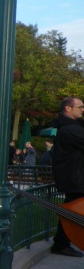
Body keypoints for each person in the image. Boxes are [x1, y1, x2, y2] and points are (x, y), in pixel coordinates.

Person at [50, 97, 84, 257]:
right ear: (68, 109)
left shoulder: (70, 128)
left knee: (71, 211)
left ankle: (61, 242)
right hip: (75, 178)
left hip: (74, 177)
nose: (82, 110)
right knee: (72, 211)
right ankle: (61, 243)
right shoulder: (70, 129)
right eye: (80, 107)